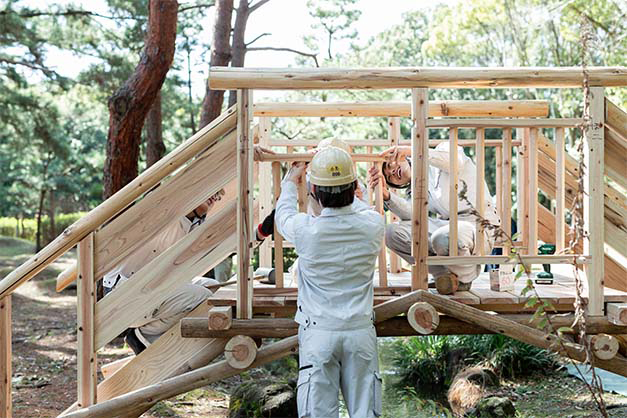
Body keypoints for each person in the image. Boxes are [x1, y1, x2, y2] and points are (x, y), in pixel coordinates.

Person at [275, 147, 385, 418]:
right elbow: (358, 208)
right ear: (355, 187)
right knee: (365, 413)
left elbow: (283, 215)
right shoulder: (373, 225)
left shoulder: (306, 230)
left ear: (314, 191)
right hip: (360, 332)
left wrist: (291, 179)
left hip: (319, 333)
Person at [368, 142, 500, 294]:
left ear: (404, 156)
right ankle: (446, 276)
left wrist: (414, 150)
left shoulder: (442, 149)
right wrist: (386, 195)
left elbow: (455, 162)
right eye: (389, 177)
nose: (392, 172)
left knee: (444, 237)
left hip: (478, 224)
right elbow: (413, 215)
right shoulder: (416, 188)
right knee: (391, 233)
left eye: (390, 165)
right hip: (447, 226)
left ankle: (464, 277)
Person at [103, 190, 225, 354]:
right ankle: (147, 336)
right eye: (212, 192)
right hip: (125, 292)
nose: (214, 198)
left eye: (217, 196)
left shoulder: (195, 223)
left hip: (153, 287)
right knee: (203, 296)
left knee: (214, 287)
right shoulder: (169, 211)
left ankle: (147, 334)